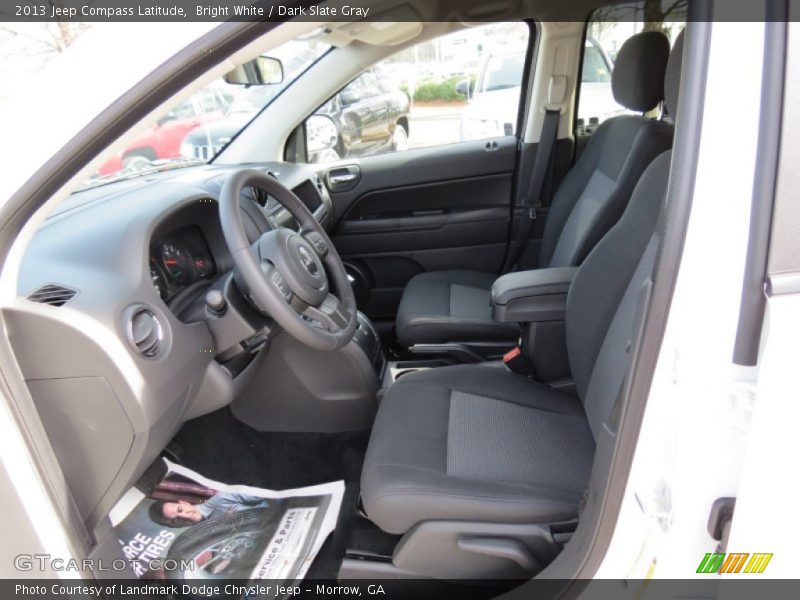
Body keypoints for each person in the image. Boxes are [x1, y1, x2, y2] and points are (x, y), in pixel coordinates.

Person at [149, 492, 269, 527]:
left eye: (180, 509)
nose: (185, 516)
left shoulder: (223, 498)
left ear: (183, 502)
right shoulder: (203, 537)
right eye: (175, 520)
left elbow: (270, 496)